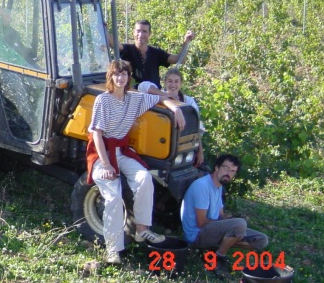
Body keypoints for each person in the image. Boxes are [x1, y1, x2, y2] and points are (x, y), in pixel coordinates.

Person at [86, 59, 186, 264]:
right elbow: (96, 134)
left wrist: (174, 108)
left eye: (124, 74)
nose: (120, 78)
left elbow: (157, 96)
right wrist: (105, 164)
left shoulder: (133, 99)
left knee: (144, 179)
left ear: (128, 77)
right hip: (102, 153)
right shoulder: (103, 100)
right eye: (117, 74)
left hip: (122, 152)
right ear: (111, 77)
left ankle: (142, 229)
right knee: (113, 197)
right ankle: (113, 249)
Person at [181, 154, 269, 278]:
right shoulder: (202, 186)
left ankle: (218, 246)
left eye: (233, 171)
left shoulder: (218, 187)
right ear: (217, 168)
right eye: (226, 168)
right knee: (240, 224)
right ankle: (217, 258)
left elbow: (220, 215)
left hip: (211, 230)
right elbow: (201, 222)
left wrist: (233, 227)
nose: (229, 173)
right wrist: (234, 227)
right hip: (196, 235)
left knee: (261, 240)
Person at [139, 67, 206, 166]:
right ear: (165, 82)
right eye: (170, 81)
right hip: (159, 144)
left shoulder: (188, 101)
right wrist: (165, 96)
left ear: (181, 83)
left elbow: (196, 129)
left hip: (181, 146)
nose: (173, 85)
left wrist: (200, 151)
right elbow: (142, 86)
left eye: (176, 81)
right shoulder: (157, 97)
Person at [114, 19, 194, 88]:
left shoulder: (156, 52)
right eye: (138, 31)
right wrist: (103, 29)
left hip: (155, 97)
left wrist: (186, 42)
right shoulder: (127, 49)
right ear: (133, 32)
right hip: (136, 95)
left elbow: (179, 60)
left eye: (144, 31)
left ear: (149, 34)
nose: (141, 35)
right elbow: (113, 43)